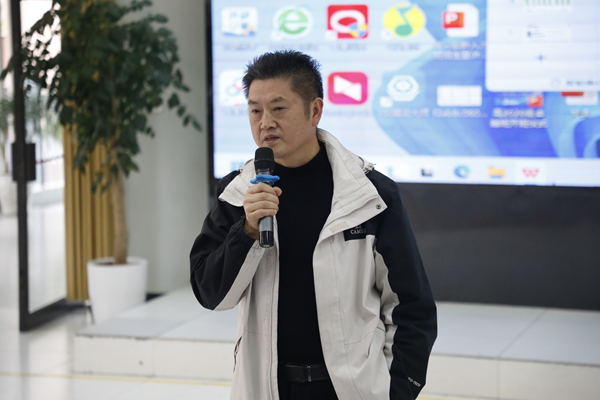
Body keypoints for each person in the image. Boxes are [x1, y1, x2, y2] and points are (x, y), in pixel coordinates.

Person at [190, 50, 437, 400]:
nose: (265, 122)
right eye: (255, 110)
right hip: (269, 388)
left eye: (278, 108)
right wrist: (246, 231)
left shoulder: (369, 195)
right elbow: (210, 295)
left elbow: (412, 308)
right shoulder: (238, 194)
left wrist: (399, 391)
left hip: (349, 390)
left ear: (315, 111)